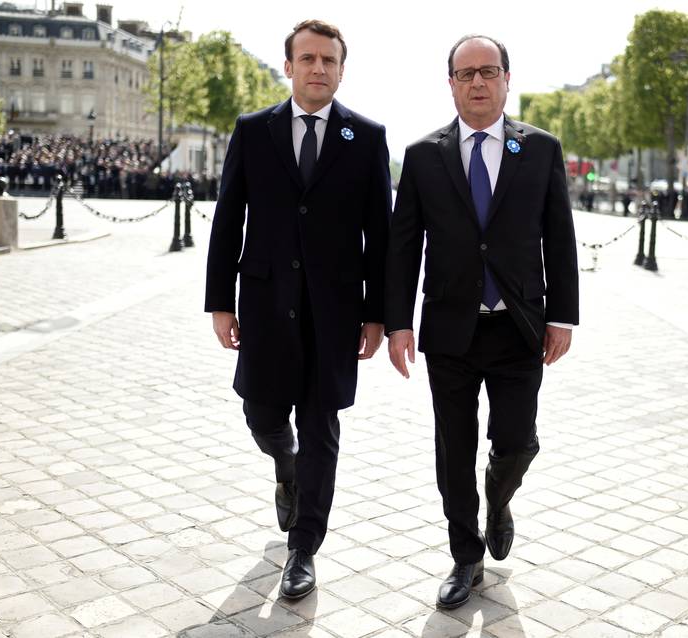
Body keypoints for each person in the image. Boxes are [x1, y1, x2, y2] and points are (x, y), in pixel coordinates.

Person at [385, 34, 579, 609]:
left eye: (488, 72)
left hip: (520, 325)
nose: (477, 82)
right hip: (449, 330)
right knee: (453, 447)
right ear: (450, 83)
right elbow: (403, 247)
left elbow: (559, 239)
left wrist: (563, 316)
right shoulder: (423, 155)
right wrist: (398, 324)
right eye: (466, 73)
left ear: (506, 79)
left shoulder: (541, 149)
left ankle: (499, 495)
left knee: (516, 442)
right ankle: (465, 557)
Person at [204, 19, 391, 600]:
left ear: (341, 68)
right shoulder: (253, 131)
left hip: (335, 314)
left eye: (328, 60)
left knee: (322, 430)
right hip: (263, 306)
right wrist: (219, 302)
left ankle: (303, 549)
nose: (317, 69)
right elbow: (229, 217)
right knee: (263, 419)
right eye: (306, 59)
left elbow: (379, 235)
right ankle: (284, 466)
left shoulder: (367, 136)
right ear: (288, 67)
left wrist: (377, 313)